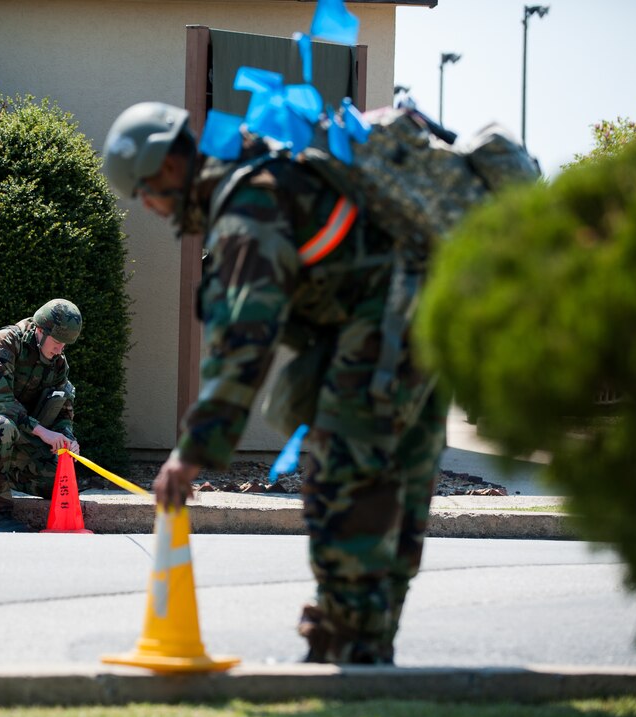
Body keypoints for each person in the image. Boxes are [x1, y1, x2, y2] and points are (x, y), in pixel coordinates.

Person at [102, 102, 449, 664]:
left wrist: (191, 452)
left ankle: (350, 650)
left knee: (345, 481)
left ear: (168, 167)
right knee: (399, 487)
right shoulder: (266, 172)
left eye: (143, 191)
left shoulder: (247, 205)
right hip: (434, 320)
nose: (149, 206)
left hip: (389, 329)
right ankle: (365, 645)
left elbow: (245, 338)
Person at [0, 299, 82, 533]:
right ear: (40, 331)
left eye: (64, 344)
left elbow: (63, 410)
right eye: (56, 342)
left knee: (60, 482)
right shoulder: (3, 343)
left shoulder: (58, 363)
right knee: (1, 427)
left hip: (22, 432)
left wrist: (66, 438)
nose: (60, 350)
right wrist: (42, 432)